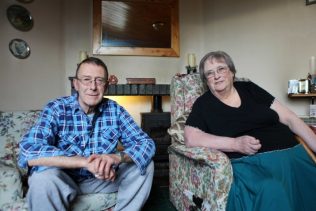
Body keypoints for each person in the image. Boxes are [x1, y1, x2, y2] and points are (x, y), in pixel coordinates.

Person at [18, 57, 155, 211]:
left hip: (103, 179)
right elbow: (29, 151)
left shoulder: (115, 110)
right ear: (76, 84)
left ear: (107, 86)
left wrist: (116, 158)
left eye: (99, 81)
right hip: (65, 178)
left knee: (144, 164)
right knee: (41, 179)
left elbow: (146, 143)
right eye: (86, 80)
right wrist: (84, 162)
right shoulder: (57, 108)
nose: (93, 87)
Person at [184, 51, 316, 210]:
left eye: (221, 69)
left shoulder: (249, 88)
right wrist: (235, 144)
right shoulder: (203, 104)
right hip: (253, 165)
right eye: (210, 73)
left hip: (294, 156)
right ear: (206, 81)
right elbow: (191, 138)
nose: (217, 76)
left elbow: (290, 118)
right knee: (272, 191)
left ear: (232, 72)